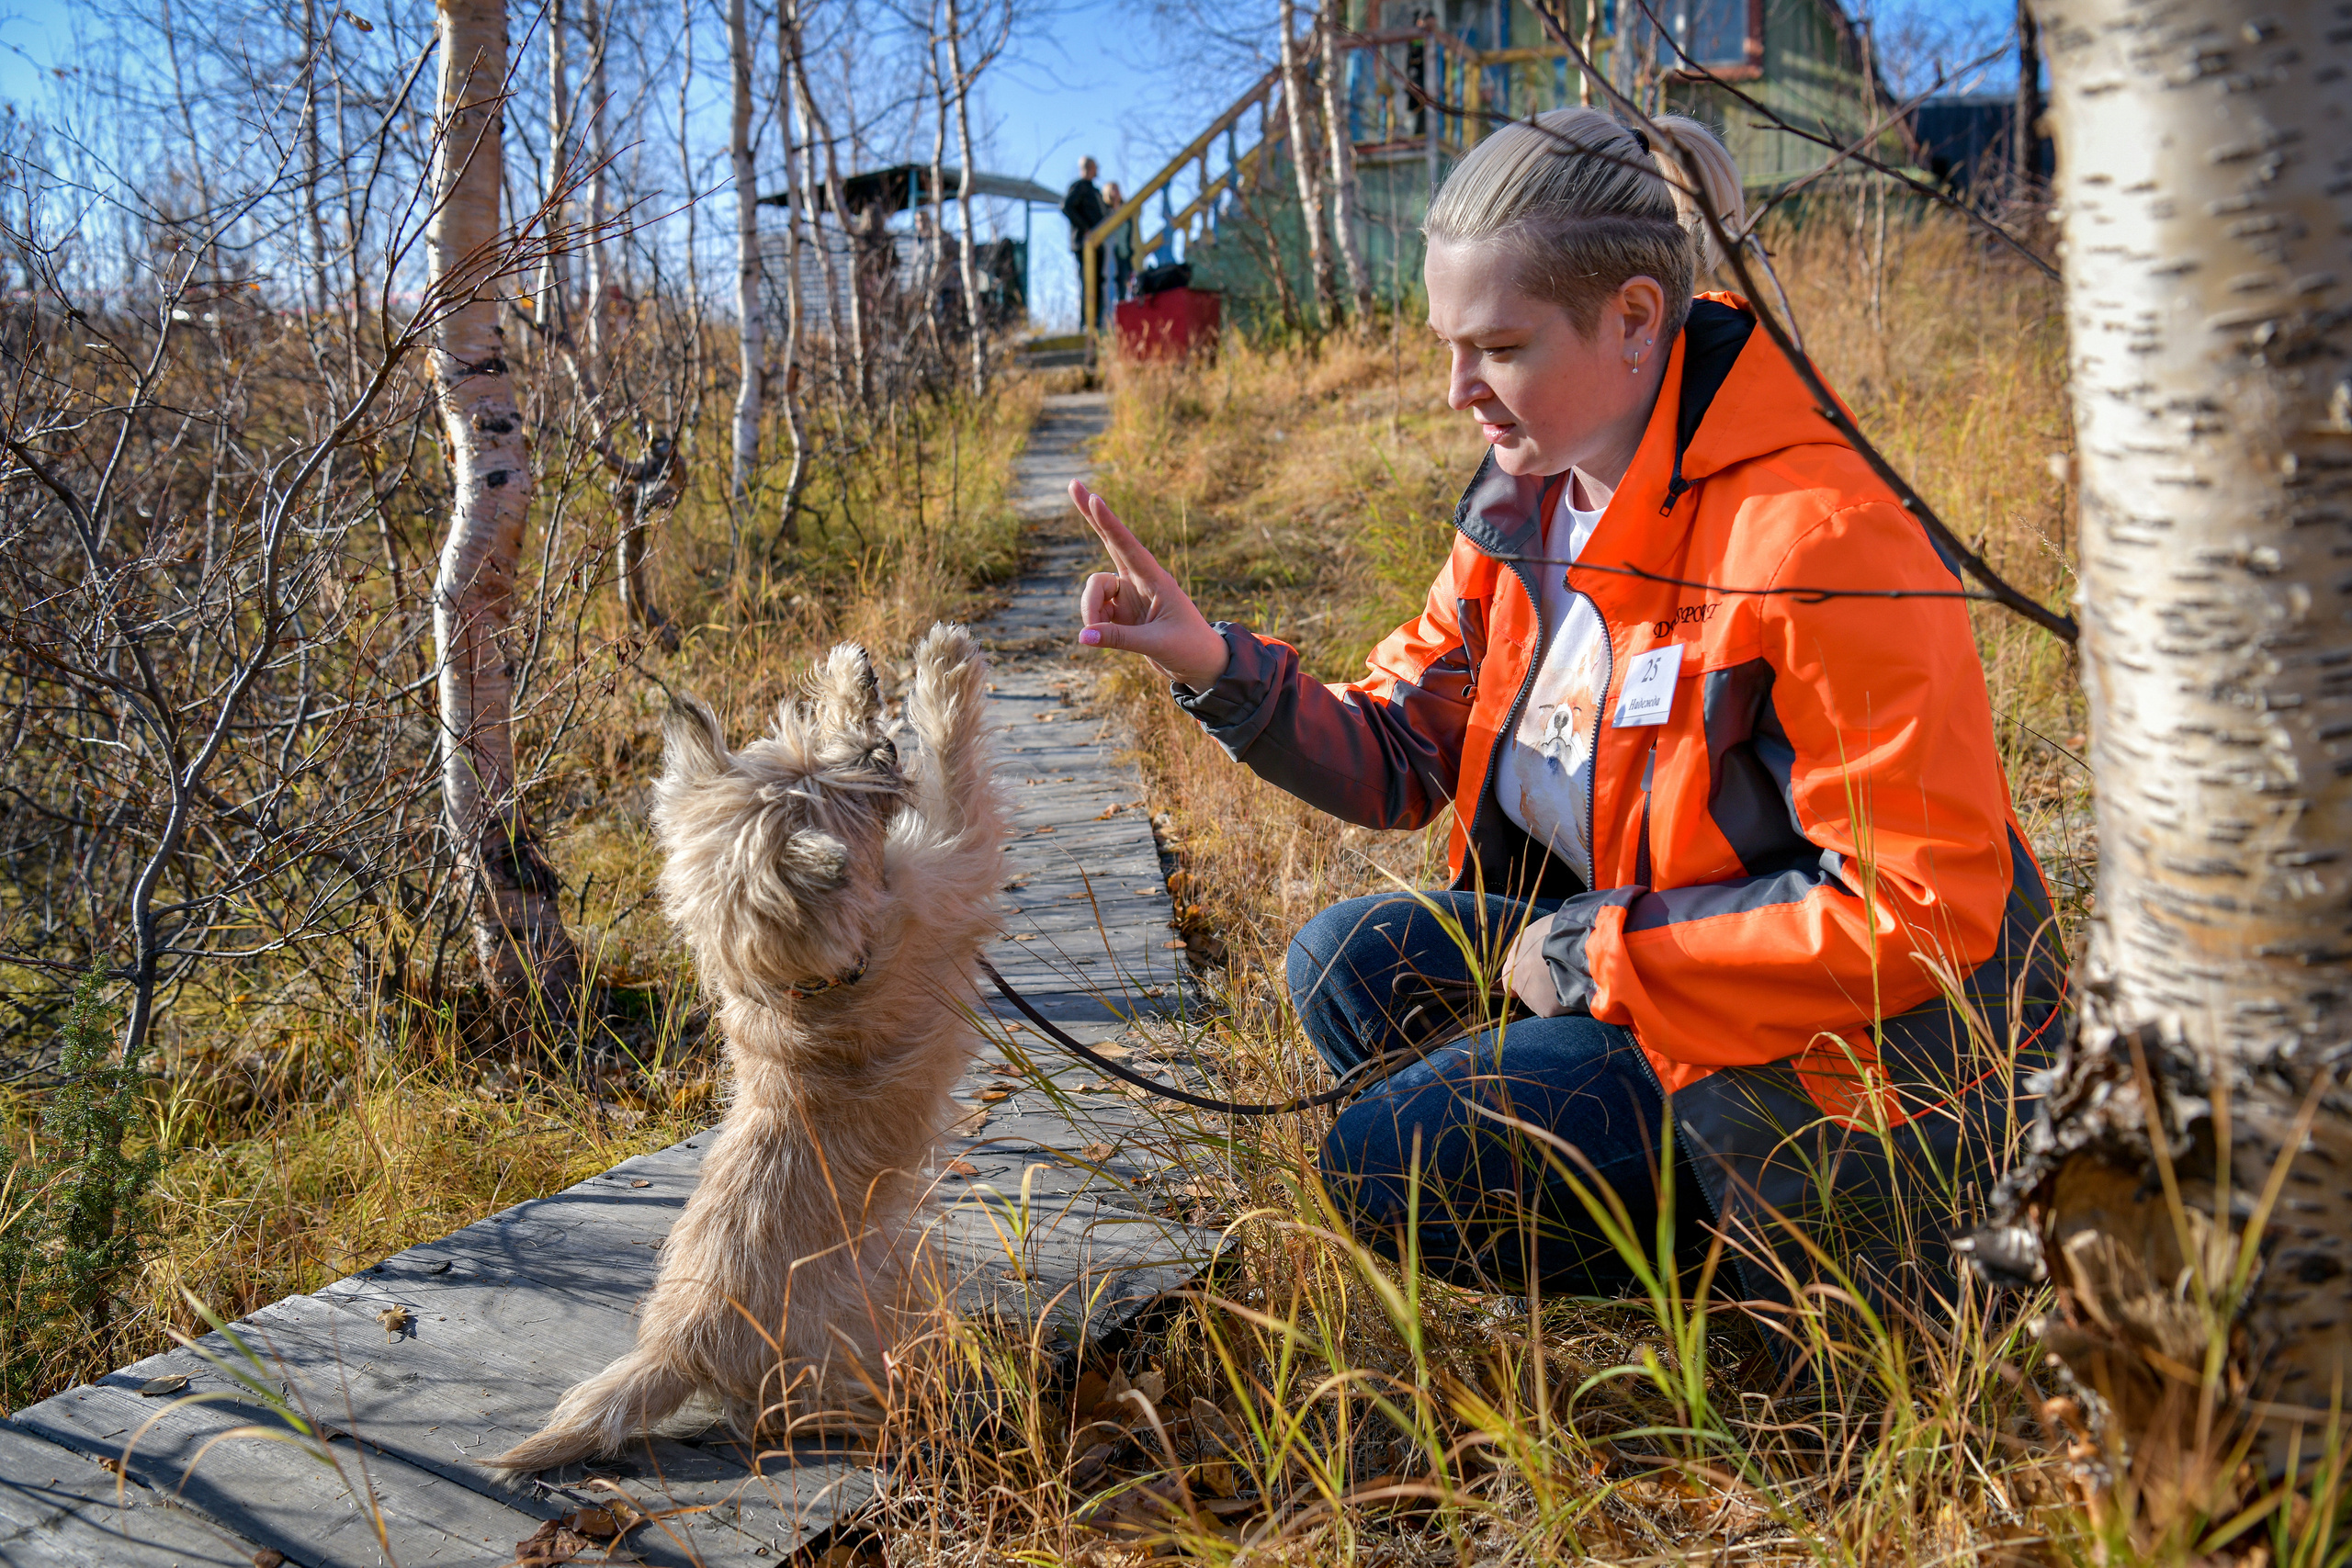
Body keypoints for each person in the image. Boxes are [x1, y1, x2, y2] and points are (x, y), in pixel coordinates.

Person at [1066, 109, 2065, 1324]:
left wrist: (1600, 950)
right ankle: (1665, 1214)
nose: (1456, 392)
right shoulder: (1527, 508)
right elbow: (1401, 748)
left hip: (1858, 1064)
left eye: (1499, 346)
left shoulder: (1818, 538)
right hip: (1658, 979)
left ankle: (1814, 1275)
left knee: (1390, 1157)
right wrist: (1213, 661)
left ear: (1637, 318)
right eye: (1449, 346)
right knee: (1347, 963)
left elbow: (1923, 916)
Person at [1061, 156, 1111, 329]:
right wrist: (1085, 228)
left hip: (1098, 244)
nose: (1098, 171)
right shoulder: (1080, 187)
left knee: (1098, 281)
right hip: (1085, 244)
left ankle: (1097, 320)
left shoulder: (1095, 190)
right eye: (1096, 167)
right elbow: (1066, 207)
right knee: (1088, 282)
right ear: (1089, 168)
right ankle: (1087, 322)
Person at [1102, 180, 1136, 308]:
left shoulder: (1126, 212)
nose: (1116, 192)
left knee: (1127, 284)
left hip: (1125, 253)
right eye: (1113, 189)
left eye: (1117, 189)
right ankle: (1110, 316)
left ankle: (1125, 313)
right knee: (1111, 285)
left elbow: (1129, 233)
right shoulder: (1104, 211)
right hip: (1110, 255)